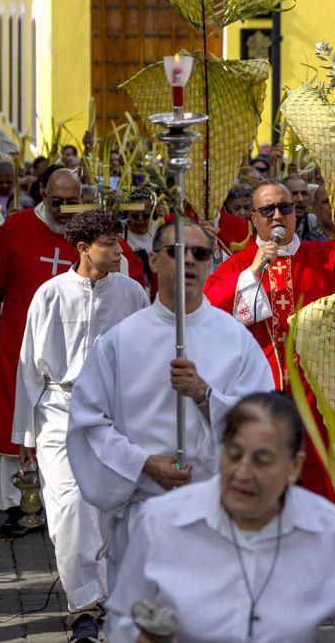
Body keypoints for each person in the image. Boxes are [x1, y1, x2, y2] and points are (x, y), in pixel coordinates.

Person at [68, 219, 273, 585]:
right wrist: (143, 463)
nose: (189, 261)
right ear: (154, 262)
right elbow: (88, 424)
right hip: (146, 516)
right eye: (176, 252)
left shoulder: (237, 341)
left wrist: (205, 396)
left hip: (217, 517)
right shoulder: (120, 341)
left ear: (210, 263)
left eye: (200, 253)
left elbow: (265, 427)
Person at [105, 392, 335, 643]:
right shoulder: (163, 522)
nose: (242, 473)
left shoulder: (325, 530)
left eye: (262, 460)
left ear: (294, 467)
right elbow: (121, 618)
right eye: (234, 454)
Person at [0, 167, 146, 528]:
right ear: (42, 195)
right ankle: (21, 501)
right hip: (30, 343)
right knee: (21, 418)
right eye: (56, 202)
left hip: (100, 383)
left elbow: (133, 284)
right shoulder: (17, 229)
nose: (64, 210)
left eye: (72, 202)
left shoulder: (96, 237)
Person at [13, 209, 149, 642]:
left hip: (115, 412)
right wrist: (25, 434)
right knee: (69, 507)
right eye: (108, 243)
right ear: (83, 248)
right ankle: (83, 607)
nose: (117, 250)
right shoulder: (50, 294)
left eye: (118, 242)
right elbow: (28, 367)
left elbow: (146, 359)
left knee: (108, 507)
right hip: (59, 409)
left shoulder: (132, 293)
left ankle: (102, 595)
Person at [204, 181, 335, 505]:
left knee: (321, 492)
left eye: (285, 208)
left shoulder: (326, 255)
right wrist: (254, 272)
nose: (278, 216)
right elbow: (211, 319)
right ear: (253, 217)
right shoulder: (237, 266)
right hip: (261, 395)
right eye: (268, 210)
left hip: (319, 397)